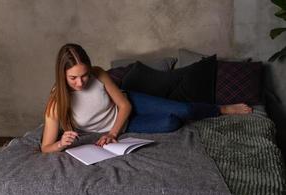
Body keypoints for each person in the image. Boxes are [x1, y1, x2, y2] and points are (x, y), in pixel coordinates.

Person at [41, 43, 252, 153]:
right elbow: (45, 147)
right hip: (128, 124)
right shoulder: (55, 104)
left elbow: (123, 104)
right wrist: (60, 144)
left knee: (185, 110)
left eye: (84, 75)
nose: (81, 82)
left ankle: (221, 109)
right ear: (62, 75)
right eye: (73, 78)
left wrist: (113, 133)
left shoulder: (98, 74)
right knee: (172, 123)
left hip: (129, 106)